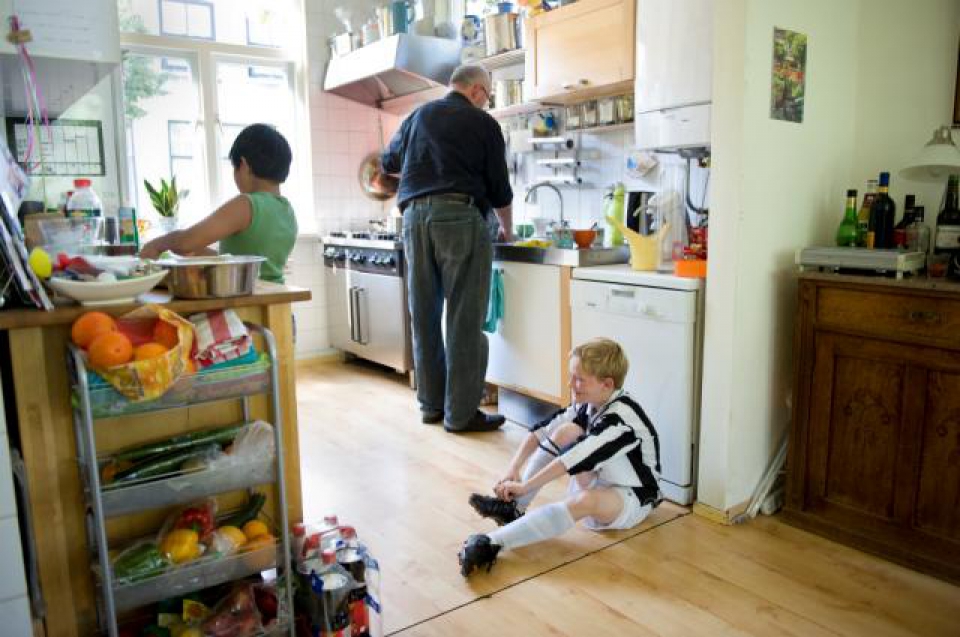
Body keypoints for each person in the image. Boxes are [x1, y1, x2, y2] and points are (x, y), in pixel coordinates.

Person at [380, 64, 513, 433]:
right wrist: (507, 229)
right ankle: (461, 414)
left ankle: (431, 405)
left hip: (413, 220)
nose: (486, 103)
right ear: (476, 91)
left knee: (424, 315)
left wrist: (424, 174)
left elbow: (387, 162)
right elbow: (500, 189)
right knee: (463, 319)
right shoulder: (483, 123)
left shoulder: (416, 117)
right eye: (487, 96)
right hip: (459, 218)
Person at [458, 338, 662, 577]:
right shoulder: (590, 403)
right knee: (567, 430)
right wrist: (513, 468)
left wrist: (525, 485)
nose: (570, 384)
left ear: (607, 384)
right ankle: (514, 508)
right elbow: (541, 430)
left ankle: (492, 542)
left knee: (585, 500)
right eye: (571, 376)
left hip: (633, 496)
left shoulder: (620, 421)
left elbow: (574, 458)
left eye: (579, 379)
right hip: (599, 475)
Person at [140, 123, 298, 284]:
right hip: (276, 295)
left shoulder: (247, 204)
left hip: (247, 297)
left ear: (243, 166)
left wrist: (156, 244)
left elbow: (185, 242)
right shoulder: (287, 211)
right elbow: (243, 259)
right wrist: (198, 250)